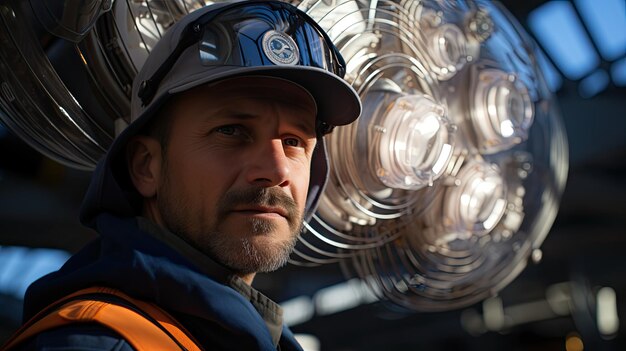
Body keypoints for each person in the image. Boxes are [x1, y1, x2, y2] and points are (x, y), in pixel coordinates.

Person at [2, 1, 361, 350]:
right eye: (232, 131)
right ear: (146, 166)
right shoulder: (102, 341)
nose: (277, 169)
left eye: (294, 141)